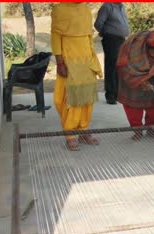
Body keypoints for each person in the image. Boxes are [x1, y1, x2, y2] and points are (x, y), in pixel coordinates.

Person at [51, 3, 103, 151]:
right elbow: (55, 37)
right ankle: (70, 134)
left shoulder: (85, 8)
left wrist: (93, 58)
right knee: (72, 98)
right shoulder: (59, 9)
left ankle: (83, 130)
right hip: (69, 60)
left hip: (87, 60)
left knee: (87, 97)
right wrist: (60, 62)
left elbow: (89, 36)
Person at [116, 31, 154, 141]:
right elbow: (123, 69)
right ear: (146, 50)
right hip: (131, 80)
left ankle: (151, 129)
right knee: (133, 109)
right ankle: (137, 131)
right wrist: (140, 81)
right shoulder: (131, 50)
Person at [94, 3, 130, 104]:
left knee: (120, 66)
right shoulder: (107, 6)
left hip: (121, 40)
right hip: (111, 39)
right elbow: (98, 24)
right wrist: (106, 33)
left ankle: (118, 93)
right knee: (112, 66)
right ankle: (110, 95)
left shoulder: (121, 6)